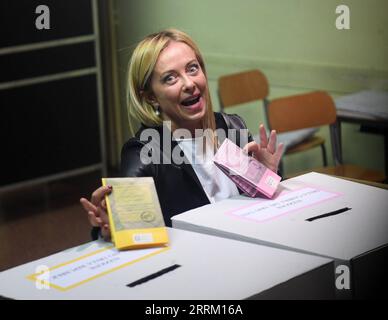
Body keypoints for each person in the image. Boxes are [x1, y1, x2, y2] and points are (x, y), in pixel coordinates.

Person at [80, 29, 284, 241]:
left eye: (192, 69)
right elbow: (129, 230)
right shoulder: (145, 151)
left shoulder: (231, 127)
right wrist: (110, 228)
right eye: (170, 78)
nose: (189, 84)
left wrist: (268, 177)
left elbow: (261, 208)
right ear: (151, 97)